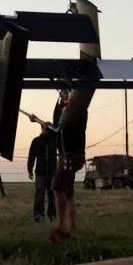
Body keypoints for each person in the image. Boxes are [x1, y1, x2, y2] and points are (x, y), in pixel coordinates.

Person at [50, 93, 88, 242]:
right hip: (72, 156)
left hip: (70, 156)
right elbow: (57, 126)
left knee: (57, 186)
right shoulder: (77, 112)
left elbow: (59, 127)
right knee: (69, 193)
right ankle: (72, 230)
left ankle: (62, 228)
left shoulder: (75, 113)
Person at [26, 121, 58, 222]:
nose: (46, 130)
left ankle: (52, 215)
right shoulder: (36, 141)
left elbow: (59, 132)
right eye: (45, 128)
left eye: (48, 128)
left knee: (52, 195)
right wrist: (30, 170)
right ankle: (38, 216)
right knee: (39, 195)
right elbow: (31, 156)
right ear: (42, 128)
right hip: (40, 173)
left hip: (52, 173)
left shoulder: (54, 140)